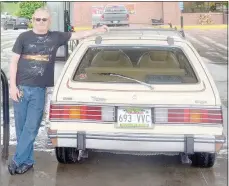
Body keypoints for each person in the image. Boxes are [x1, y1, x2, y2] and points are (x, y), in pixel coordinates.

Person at [8, 7, 109, 175]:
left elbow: (77, 35)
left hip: (39, 90)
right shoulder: (23, 37)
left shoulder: (55, 37)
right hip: (21, 89)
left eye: (44, 19)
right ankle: (27, 161)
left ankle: (18, 160)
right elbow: (13, 62)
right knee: (21, 128)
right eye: (37, 19)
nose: (40, 22)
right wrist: (12, 87)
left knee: (31, 128)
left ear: (49, 21)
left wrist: (97, 30)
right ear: (33, 20)